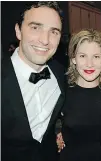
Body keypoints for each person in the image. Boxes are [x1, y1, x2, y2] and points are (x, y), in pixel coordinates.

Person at [2, 2, 65, 161]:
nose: (45, 40)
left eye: (54, 31)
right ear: (18, 31)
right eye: (35, 27)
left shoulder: (60, 73)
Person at [57, 29, 101, 161]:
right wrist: (56, 133)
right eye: (82, 56)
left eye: (96, 56)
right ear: (73, 59)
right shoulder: (61, 89)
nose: (89, 63)